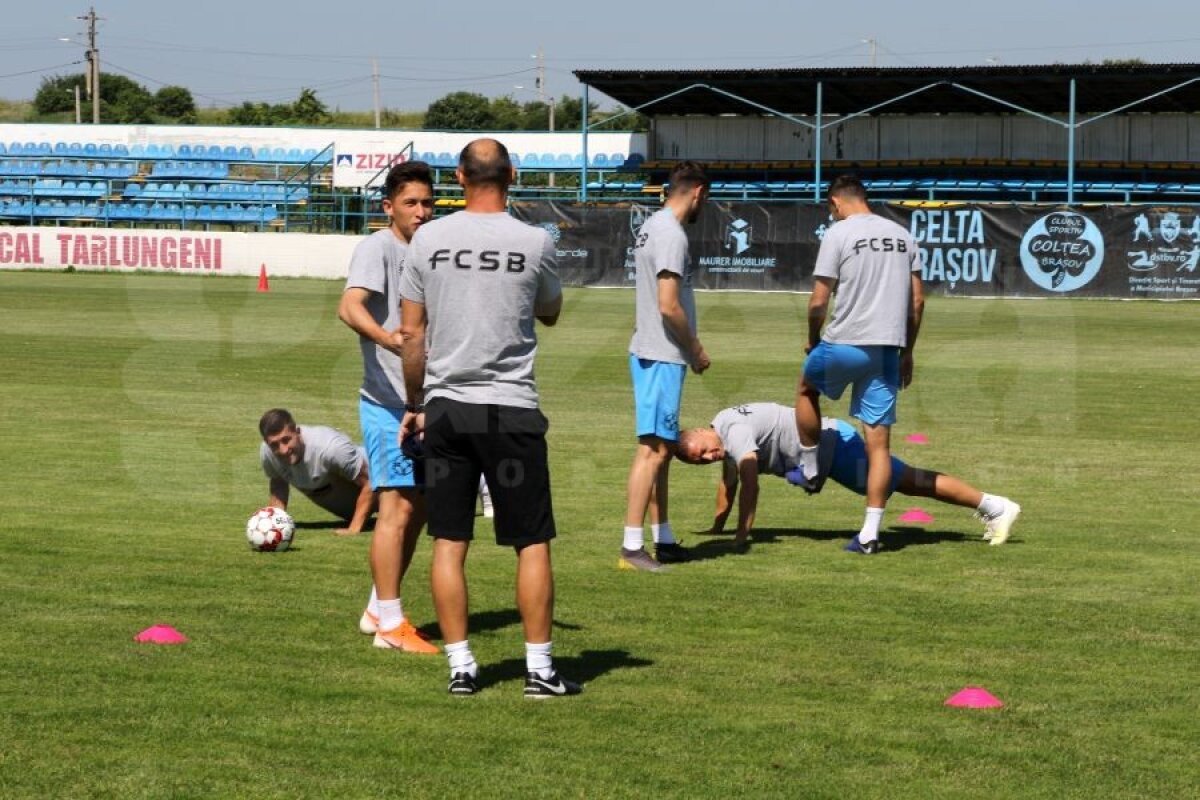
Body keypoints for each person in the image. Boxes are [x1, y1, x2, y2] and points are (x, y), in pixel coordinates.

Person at [398, 138, 578, 697]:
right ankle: (540, 671)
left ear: (458, 177)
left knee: (449, 540)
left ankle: (461, 667)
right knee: (532, 541)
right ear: (512, 175)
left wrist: (414, 405)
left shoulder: (428, 238)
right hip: (510, 409)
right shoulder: (535, 240)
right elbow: (550, 311)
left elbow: (411, 336)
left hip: (447, 409)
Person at [676, 402, 1022, 553]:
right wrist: (717, 528)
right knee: (908, 481)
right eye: (699, 461)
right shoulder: (722, 428)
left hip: (834, 448)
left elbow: (749, 483)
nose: (708, 457)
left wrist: (741, 537)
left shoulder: (733, 433)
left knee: (909, 481)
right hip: (828, 444)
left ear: (701, 431)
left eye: (703, 451)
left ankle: (995, 506)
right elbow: (729, 483)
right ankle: (992, 506)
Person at [336, 160, 439, 655]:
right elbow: (348, 306)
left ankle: (380, 607)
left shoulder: (433, 250)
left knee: (417, 509)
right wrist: (387, 340)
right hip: (386, 402)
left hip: (426, 403)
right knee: (395, 507)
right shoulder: (377, 248)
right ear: (388, 207)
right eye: (410, 203)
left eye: (427, 203)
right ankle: (390, 628)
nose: (421, 212)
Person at [795, 174, 924, 555]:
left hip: (845, 342)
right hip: (886, 350)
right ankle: (869, 534)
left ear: (835, 202)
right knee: (878, 446)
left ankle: (809, 467)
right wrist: (907, 351)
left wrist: (813, 338)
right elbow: (917, 302)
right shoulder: (903, 235)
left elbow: (819, 301)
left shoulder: (838, 233)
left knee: (806, 389)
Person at [620, 161, 712, 572]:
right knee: (653, 450)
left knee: (662, 450)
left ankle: (664, 538)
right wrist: (695, 348)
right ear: (698, 192)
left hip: (653, 350)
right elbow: (669, 304)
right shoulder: (672, 233)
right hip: (662, 353)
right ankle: (631, 546)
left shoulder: (653, 225)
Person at [258, 408, 375, 535]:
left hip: (384, 478)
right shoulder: (268, 454)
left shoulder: (330, 448)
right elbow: (278, 483)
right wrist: (274, 526)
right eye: (274, 445)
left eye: (286, 440)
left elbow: (371, 482)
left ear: (297, 432)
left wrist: (354, 528)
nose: (283, 450)